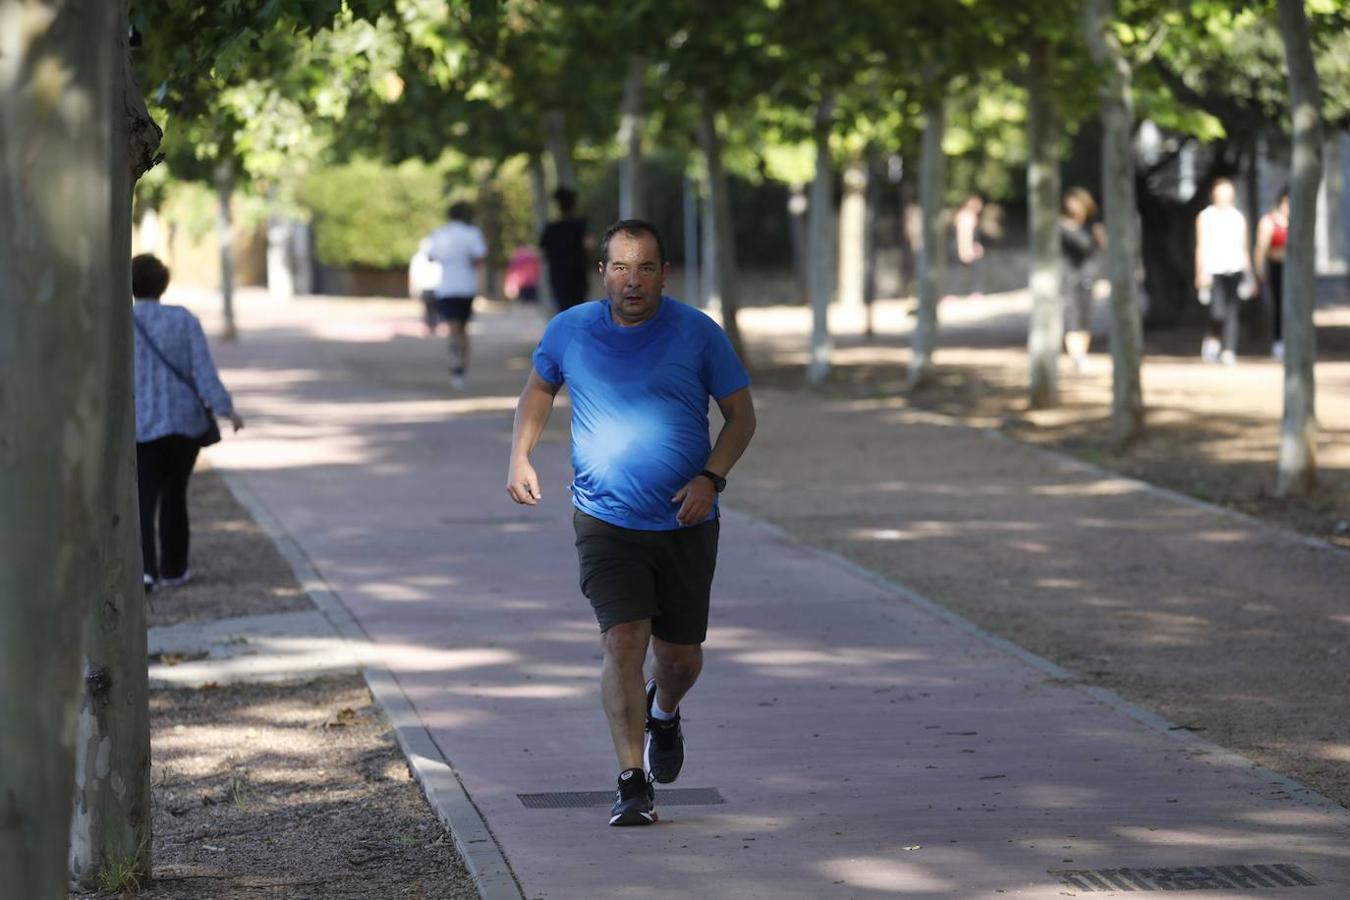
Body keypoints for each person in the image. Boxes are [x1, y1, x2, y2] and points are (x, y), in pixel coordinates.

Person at [506, 219, 756, 827]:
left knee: (681, 659)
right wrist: (519, 455)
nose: (633, 281)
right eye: (621, 267)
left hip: (685, 520)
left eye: (646, 267)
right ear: (603, 274)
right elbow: (538, 391)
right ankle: (631, 780)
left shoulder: (698, 333)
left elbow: (741, 418)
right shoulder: (570, 330)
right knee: (623, 639)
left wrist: (710, 478)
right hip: (605, 518)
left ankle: (663, 713)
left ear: (665, 274)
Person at [132, 254, 244, 593]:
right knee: (175, 496)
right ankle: (174, 568)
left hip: (140, 426)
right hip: (184, 425)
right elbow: (204, 372)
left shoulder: (121, 322)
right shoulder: (184, 320)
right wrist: (226, 409)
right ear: (163, 284)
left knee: (142, 498)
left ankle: (145, 570)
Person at [424, 202, 488, 388]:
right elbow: (480, 258)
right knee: (464, 328)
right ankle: (462, 366)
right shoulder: (472, 233)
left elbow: (430, 256)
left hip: (447, 287)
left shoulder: (440, 233)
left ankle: (455, 364)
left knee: (452, 327)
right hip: (466, 287)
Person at [1194, 178, 1254, 365]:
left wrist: (1249, 273)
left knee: (1232, 311)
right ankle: (1212, 340)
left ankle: (1229, 349)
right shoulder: (1205, 216)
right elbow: (1201, 245)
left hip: (1234, 267)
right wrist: (1200, 271)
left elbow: (1243, 246)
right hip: (1214, 268)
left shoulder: (1238, 217)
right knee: (1217, 311)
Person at [1060, 188, 1106, 372]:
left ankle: (1081, 355)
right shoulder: (1062, 226)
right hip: (1069, 276)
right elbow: (1082, 246)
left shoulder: (1090, 226)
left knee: (1085, 319)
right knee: (1072, 318)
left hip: (1088, 276)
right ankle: (1077, 357)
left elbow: (1097, 248)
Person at [539, 187, 594, 313]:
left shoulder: (551, 228)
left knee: (563, 308)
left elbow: (542, 251)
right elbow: (589, 245)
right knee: (579, 308)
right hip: (578, 274)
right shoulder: (581, 225)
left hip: (558, 275)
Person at [1253, 187, 1290, 361]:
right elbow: (1261, 248)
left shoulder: (1296, 221)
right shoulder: (1269, 222)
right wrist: (1259, 269)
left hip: (1292, 270)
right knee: (1279, 305)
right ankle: (1278, 342)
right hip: (1276, 267)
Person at [950, 193, 986, 299]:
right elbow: (964, 234)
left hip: (965, 247)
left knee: (960, 272)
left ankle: (956, 293)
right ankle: (974, 292)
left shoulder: (965, 215)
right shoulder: (967, 216)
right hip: (964, 247)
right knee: (962, 272)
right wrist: (966, 249)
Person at [408, 238, 443, 336]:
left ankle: (432, 326)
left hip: (433, 286)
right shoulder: (419, 258)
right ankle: (431, 326)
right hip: (428, 286)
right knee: (430, 308)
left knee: (430, 308)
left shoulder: (434, 257)